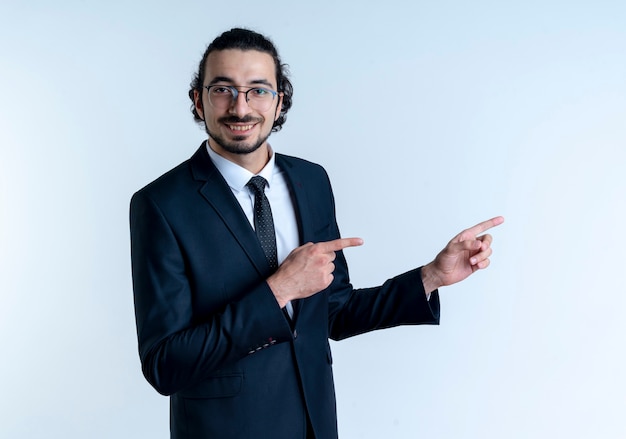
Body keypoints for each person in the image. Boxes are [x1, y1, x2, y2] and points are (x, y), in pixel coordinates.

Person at [130, 27, 504, 439]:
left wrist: (431, 276)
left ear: (280, 101)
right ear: (198, 100)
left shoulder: (311, 180)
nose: (240, 107)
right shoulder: (161, 205)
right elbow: (165, 364)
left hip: (314, 424)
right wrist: (278, 291)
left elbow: (334, 311)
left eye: (258, 90)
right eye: (223, 89)